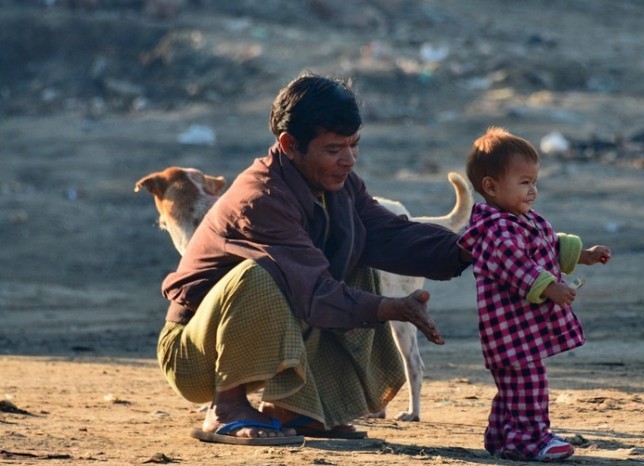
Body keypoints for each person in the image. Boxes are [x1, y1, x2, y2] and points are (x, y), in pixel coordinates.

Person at [157, 72, 471, 444]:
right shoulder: (262, 198)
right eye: (334, 149)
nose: (349, 160)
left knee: (356, 260)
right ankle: (227, 407)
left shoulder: (338, 186)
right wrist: (391, 307)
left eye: (354, 146)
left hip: (259, 336)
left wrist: (474, 248)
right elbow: (314, 291)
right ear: (290, 145)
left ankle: (297, 410)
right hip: (194, 358)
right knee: (261, 276)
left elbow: (392, 234)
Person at [457, 127, 611, 461]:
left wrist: (583, 254)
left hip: (518, 333)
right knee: (529, 384)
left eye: (534, 182)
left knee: (513, 389)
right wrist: (549, 287)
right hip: (509, 332)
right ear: (491, 186)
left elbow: (548, 245)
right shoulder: (496, 230)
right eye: (524, 182)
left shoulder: (519, 220)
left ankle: (501, 438)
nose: (532, 190)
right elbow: (516, 265)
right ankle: (531, 440)